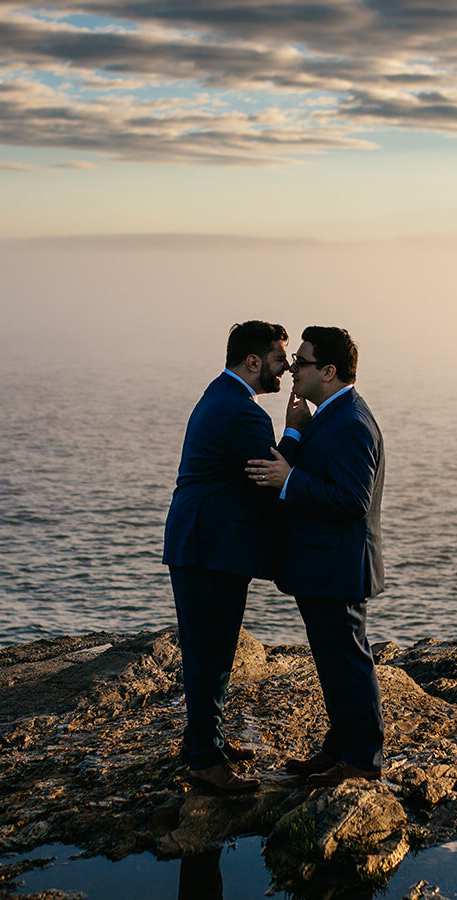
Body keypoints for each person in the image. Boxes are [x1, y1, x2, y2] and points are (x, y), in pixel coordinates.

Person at [246, 325, 385, 786]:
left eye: (301, 363)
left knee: (349, 661)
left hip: (339, 567)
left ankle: (363, 760)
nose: (291, 370)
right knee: (331, 660)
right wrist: (297, 437)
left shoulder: (350, 422)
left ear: (328, 372)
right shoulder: (330, 415)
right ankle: (339, 748)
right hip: (323, 567)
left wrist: (289, 478)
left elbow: (352, 499)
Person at [163, 320, 291, 794]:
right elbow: (272, 472)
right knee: (211, 653)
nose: (288, 367)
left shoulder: (221, 394)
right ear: (252, 362)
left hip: (201, 542)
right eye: (281, 358)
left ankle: (203, 740)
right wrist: (295, 431)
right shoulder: (243, 412)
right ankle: (206, 760)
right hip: (209, 548)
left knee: (208, 648)